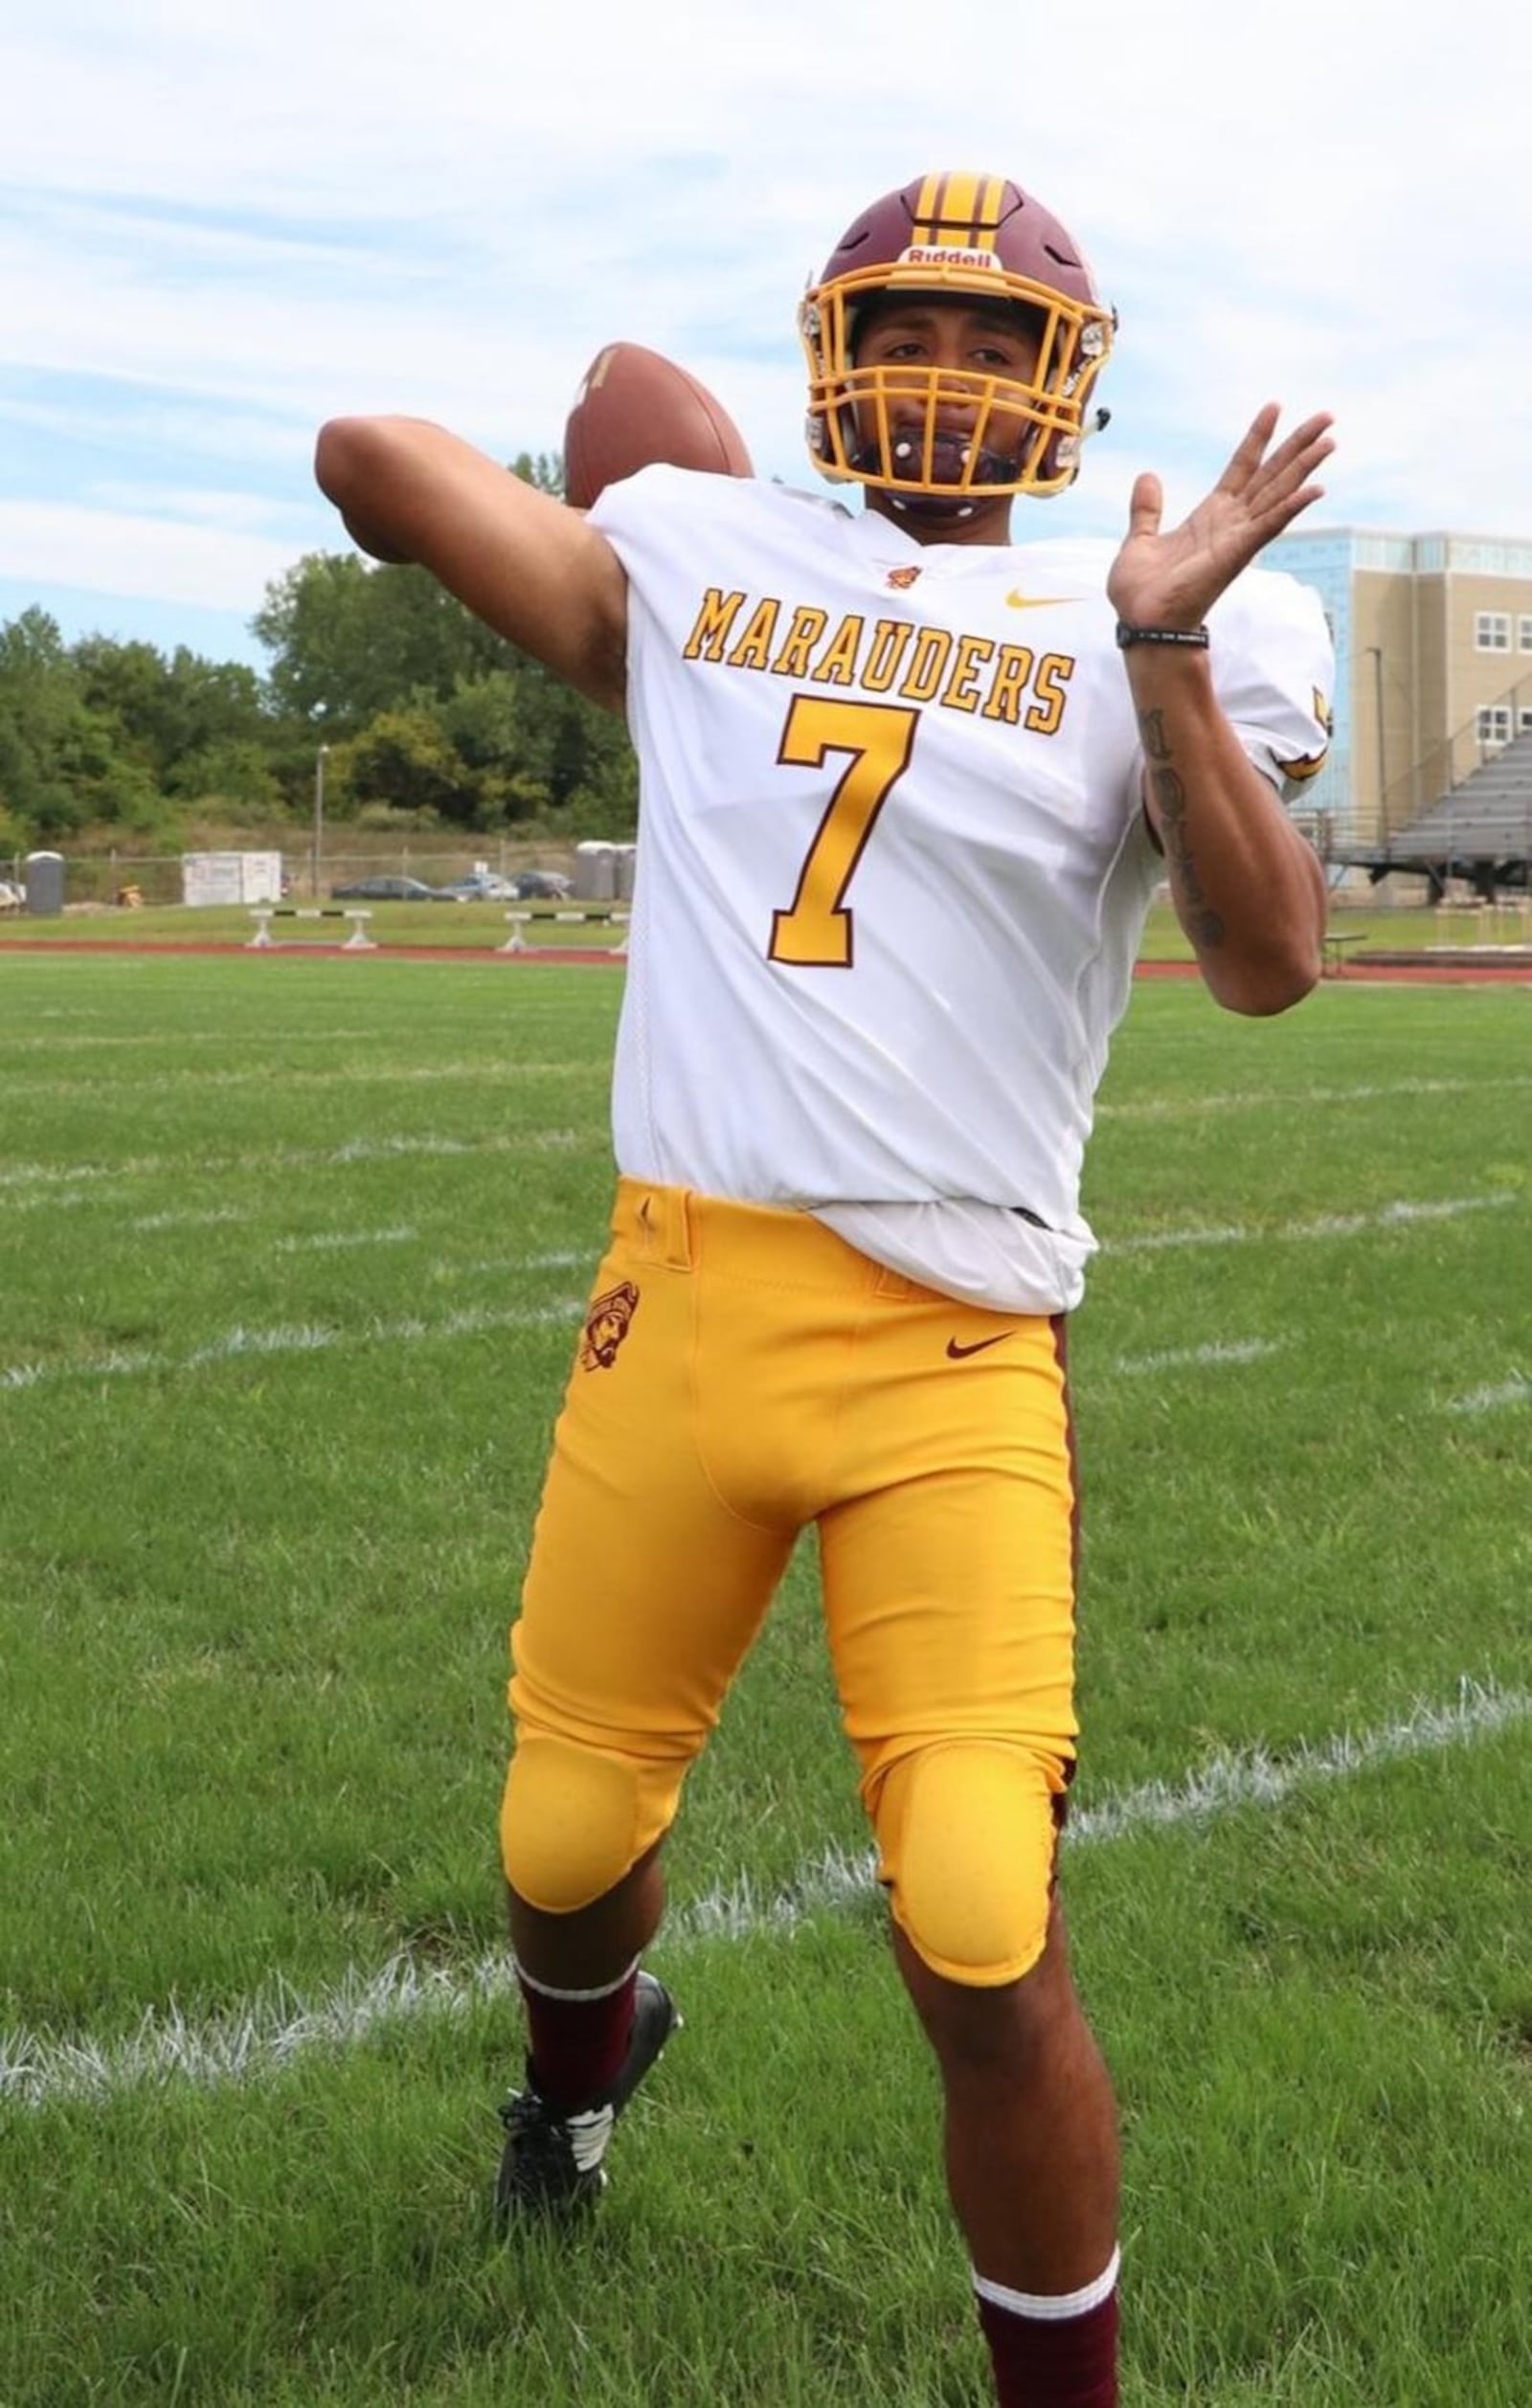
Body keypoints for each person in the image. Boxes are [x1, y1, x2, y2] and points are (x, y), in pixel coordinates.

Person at [316, 168, 1333, 2408]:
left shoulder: (1148, 605)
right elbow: (369, 460)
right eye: (910, 325)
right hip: (679, 1300)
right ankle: (578, 2086)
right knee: (559, 1840)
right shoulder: (701, 557)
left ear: (1064, 383)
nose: (945, 372)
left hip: (950, 1348)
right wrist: (632, 493)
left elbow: (1265, 961)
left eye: (992, 339)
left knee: (978, 1915)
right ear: (828, 345)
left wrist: (1158, 641)